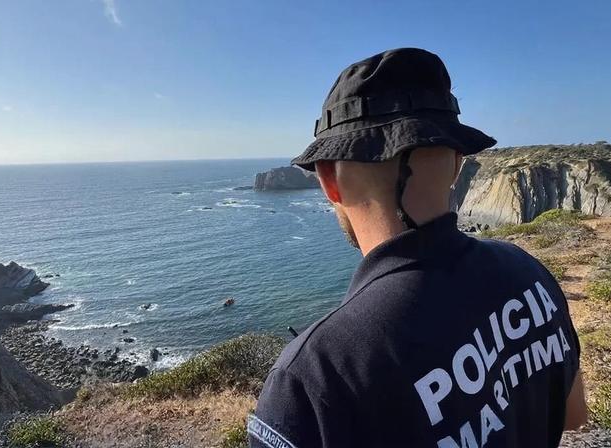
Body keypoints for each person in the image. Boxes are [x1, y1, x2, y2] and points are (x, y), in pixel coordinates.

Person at [248, 48, 587, 448]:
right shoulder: (529, 274)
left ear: (328, 180)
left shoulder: (315, 378)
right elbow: (574, 415)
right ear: (458, 163)